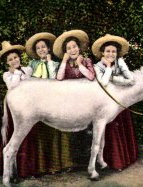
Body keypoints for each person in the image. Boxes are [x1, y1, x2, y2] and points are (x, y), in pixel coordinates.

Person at [25, 32, 74, 174]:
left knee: (57, 130)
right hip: (39, 101)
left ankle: (61, 164)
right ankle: (42, 166)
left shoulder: (55, 64)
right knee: (42, 131)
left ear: (48, 49)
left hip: (53, 100)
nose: (41, 50)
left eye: (43, 47)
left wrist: (49, 63)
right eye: (38, 48)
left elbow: (55, 80)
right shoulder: (32, 65)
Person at [92, 34, 138, 171]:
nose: (111, 54)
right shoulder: (97, 66)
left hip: (121, 101)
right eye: (108, 51)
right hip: (107, 103)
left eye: (113, 51)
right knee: (109, 130)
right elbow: (103, 83)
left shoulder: (121, 62)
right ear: (102, 53)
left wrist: (113, 77)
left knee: (121, 127)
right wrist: (107, 68)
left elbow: (131, 80)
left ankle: (125, 159)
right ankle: (111, 162)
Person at [0, 41, 40, 177]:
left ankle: (27, 169)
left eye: (15, 57)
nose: (14, 61)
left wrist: (22, 73)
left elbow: (30, 84)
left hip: (28, 105)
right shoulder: (7, 75)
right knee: (15, 134)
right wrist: (16, 73)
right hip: (15, 106)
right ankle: (12, 170)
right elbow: (13, 86)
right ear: (7, 63)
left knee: (28, 135)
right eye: (10, 60)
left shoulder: (28, 70)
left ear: (19, 57)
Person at [53, 30, 95, 166]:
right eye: (69, 48)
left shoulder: (86, 60)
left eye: (74, 46)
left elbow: (91, 76)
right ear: (66, 51)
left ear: (79, 47)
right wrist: (64, 61)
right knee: (73, 130)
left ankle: (89, 159)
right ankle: (76, 160)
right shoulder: (65, 64)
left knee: (89, 129)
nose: (72, 50)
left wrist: (80, 64)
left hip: (86, 99)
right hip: (71, 100)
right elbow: (59, 78)